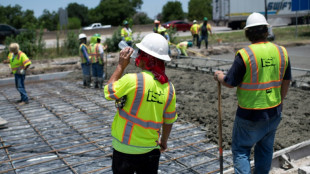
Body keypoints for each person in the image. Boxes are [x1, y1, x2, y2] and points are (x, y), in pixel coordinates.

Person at [213, 12, 291, 174]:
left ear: (248, 32)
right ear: (266, 31)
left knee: (241, 150)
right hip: (274, 111)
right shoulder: (281, 52)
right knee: (265, 149)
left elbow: (230, 82)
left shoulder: (245, 54)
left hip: (249, 115)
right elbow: (286, 80)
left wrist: (219, 76)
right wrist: (280, 101)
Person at [104, 33, 177, 174]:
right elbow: (169, 120)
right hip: (150, 151)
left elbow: (108, 92)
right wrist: (164, 142)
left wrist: (120, 66)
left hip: (124, 150)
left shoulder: (133, 80)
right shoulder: (169, 88)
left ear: (146, 58)